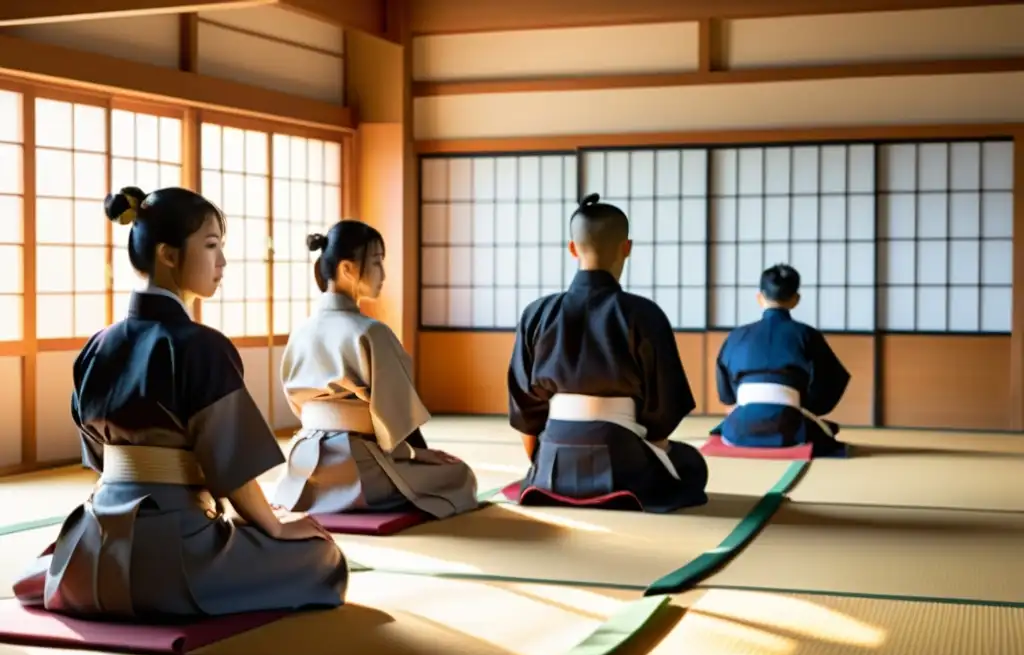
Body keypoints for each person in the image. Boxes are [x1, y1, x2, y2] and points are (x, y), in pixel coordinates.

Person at [12, 186, 348, 618]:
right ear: (168, 255)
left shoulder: (97, 346)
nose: (222, 262)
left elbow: (99, 460)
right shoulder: (202, 347)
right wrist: (275, 526)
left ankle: (83, 580)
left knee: (58, 563)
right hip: (176, 548)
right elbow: (233, 471)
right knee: (322, 555)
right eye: (211, 247)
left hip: (99, 540)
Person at [507, 193, 708, 513]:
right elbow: (664, 411)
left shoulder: (537, 313)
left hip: (554, 457)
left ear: (572, 248)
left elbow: (524, 409)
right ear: (626, 248)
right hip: (622, 454)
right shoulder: (644, 314)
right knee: (691, 464)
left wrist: (539, 466)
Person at [273, 220, 479, 519]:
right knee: (459, 475)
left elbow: (298, 406)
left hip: (305, 467)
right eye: (376, 263)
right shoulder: (370, 332)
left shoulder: (301, 330)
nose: (383, 273)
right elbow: (398, 415)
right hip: (358, 466)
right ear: (346, 269)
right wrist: (421, 454)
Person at [713, 263, 850, 455]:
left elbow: (725, 392)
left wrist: (736, 400)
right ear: (796, 299)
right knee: (825, 431)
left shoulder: (737, 335)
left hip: (739, 428)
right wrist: (807, 406)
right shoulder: (807, 334)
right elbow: (833, 377)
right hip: (789, 427)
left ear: (759, 297)